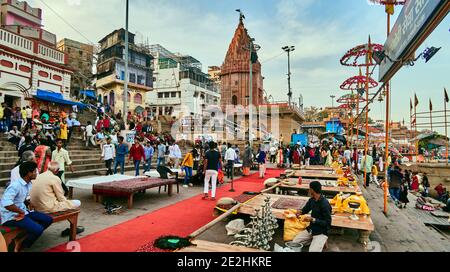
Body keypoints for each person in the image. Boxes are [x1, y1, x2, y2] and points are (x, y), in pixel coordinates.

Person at [0, 162, 53, 250]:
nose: (37, 173)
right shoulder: (15, 186)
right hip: (11, 216)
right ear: (29, 173)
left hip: (23, 212)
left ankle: (21, 240)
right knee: (38, 229)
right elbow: (6, 204)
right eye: (35, 171)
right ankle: (23, 246)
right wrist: (20, 211)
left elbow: (19, 198)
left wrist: (28, 202)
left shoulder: (28, 183)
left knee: (48, 219)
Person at [293, 181, 332, 252]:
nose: (308, 190)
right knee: (295, 242)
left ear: (312, 190)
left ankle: (321, 241)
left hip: (321, 231)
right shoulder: (312, 200)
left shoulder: (325, 204)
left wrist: (313, 220)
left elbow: (327, 223)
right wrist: (300, 212)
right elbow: (305, 209)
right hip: (312, 229)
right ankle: (317, 242)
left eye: (309, 189)